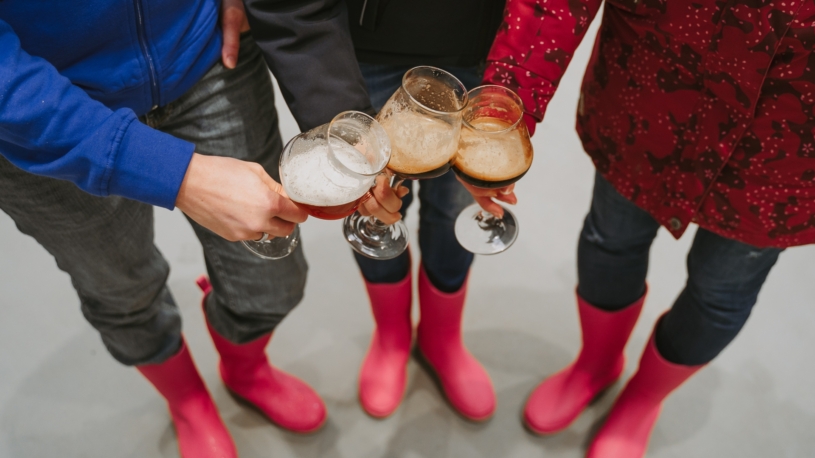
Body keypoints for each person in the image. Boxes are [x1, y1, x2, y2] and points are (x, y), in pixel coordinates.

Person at [0, 0, 398, 455]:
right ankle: (188, 401)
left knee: (272, 278)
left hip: (203, 54)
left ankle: (245, 370)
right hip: (40, 111)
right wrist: (178, 175)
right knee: (121, 289)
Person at [475, 0, 815, 456]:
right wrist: (504, 103)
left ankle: (645, 398)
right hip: (651, 88)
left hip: (785, 152)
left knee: (720, 293)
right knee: (609, 242)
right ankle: (596, 365)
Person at [343, 0, 508, 421]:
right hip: (367, 43)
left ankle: (441, 338)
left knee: (455, 210)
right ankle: (391, 336)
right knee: (372, 205)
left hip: (476, 47)